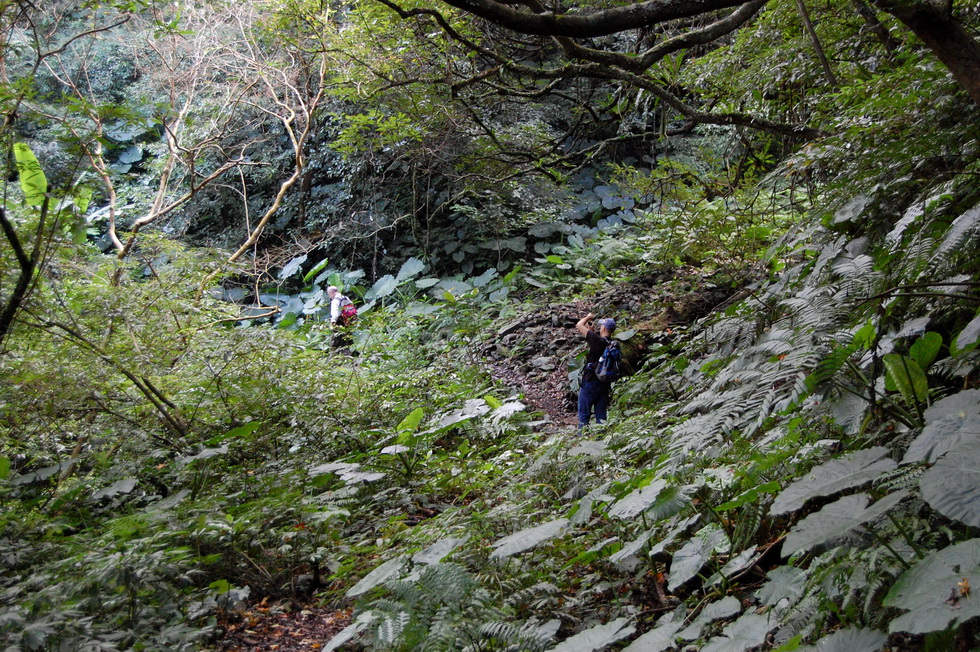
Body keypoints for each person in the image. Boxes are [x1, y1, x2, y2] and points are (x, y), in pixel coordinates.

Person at [575, 312, 616, 434]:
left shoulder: (597, 340)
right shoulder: (612, 344)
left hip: (590, 381)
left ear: (603, 328)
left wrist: (588, 317)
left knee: (584, 414)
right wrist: (591, 332)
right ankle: (601, 441)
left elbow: (579, 325)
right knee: (601, 416)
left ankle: (582, 439)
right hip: (604, 383)